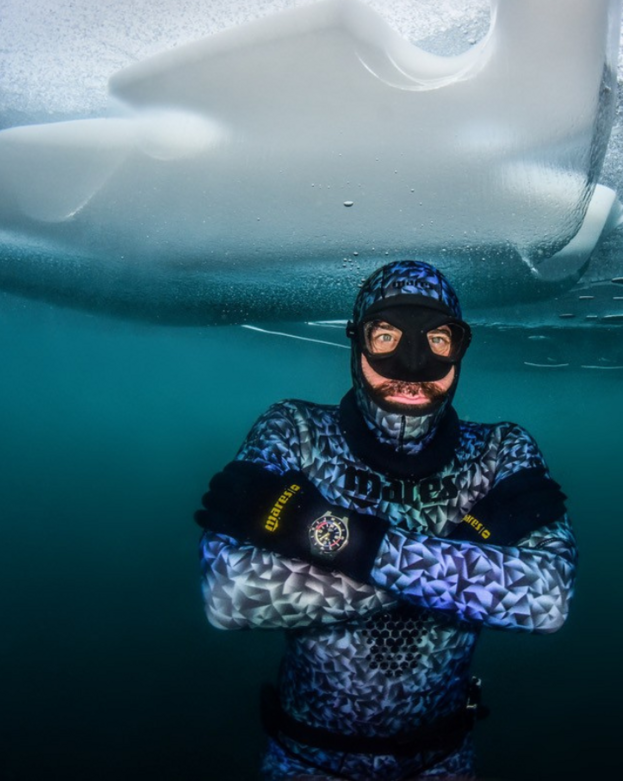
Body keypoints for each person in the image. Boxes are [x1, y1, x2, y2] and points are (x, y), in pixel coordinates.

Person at [195, 260, 577, 780]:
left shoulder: (499, 450)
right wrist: (469, 543)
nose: (412, 364)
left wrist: (326, 535)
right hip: (305, 762)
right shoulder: (298, 433)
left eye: (438, 341)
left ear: (461, 349)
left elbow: (545, 601)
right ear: (356, 343)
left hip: (443, 763)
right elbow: (230, 595)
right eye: (386, 336)